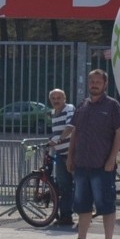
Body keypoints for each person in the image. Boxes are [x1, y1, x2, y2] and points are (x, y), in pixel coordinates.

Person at [63, 70, 120, 239]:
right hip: (82, 164)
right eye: (92, 81)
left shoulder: (113, 106)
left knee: (106, 205)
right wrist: (70, 156)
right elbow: (75, 132)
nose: (94, 84)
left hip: (102, 166)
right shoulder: (82, 105)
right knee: (82, 205)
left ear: (105, 84)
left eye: (98, 81)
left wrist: (111, 159)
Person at [47, 89, 76, 227]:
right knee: (64, 187)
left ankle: (85, 215)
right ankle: (66, 217)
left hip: (73, 153)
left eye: (59, 97)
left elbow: (71, 127)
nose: (56, 100)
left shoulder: (69, 108)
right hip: (60, 154)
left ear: (65, 98)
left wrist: (58, 140)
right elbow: (56, 132)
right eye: (53, 98)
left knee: (80, 185)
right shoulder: (53, 113)